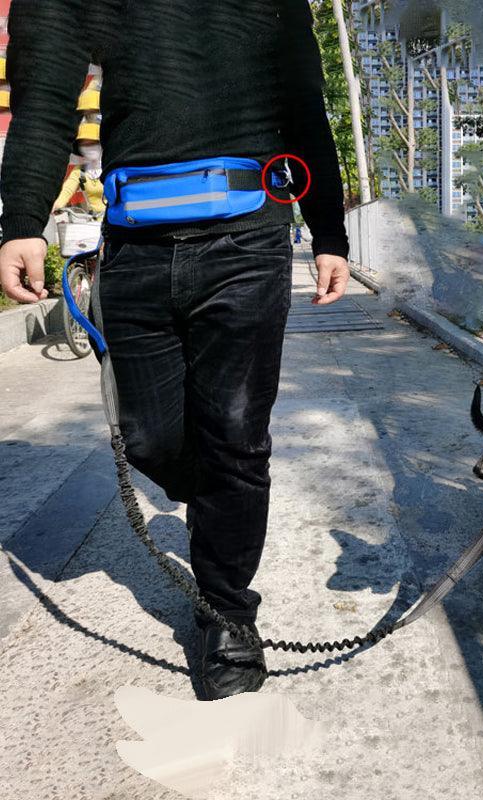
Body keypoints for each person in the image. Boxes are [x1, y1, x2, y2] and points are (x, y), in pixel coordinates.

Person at [0, 1, 350, 701]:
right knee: (150, 439)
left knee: (236, 438)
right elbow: (44, 91)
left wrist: (330, 233)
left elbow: (302, 101)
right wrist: (21, 221)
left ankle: (227, 615)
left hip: (248, 238)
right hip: (134, 244)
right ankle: (218, 496)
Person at [52, 139, 106, 217]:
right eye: (84, 145)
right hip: (93, 219)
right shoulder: (80, 171)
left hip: (114, 218)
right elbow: (67, 190)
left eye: (94, 144)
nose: (90, 148)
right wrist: (56, 205)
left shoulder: (110, 167)